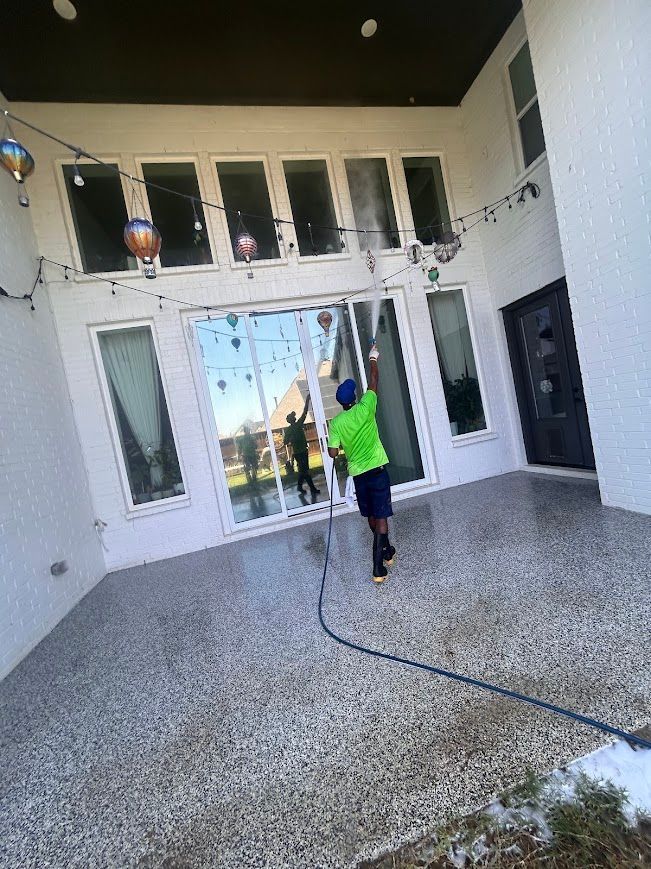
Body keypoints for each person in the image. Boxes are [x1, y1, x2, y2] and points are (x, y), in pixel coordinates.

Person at [327, 345, 396, 583]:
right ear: (355, 397)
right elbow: (374, 379)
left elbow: (332, 452)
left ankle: (387, 551)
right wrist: (373, 357)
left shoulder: (336, 423)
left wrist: (338, 444)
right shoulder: (366, 407)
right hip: (377, 470)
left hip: (359, 475)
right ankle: (378, 568)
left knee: (371, 515)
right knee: (382, 516)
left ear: (341, 402)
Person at [284, 393, 320, 496]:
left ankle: (300, 487)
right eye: (293, 417)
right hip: (299, 453)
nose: (294, 418)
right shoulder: (292, 428)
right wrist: (291, 439)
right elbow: (285, 442)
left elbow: (304, 412)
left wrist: (307, 400)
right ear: (291, 420)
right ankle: (312, 488)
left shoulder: (297, 425)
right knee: (305, 471)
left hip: (302, 451)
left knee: (303, 471)